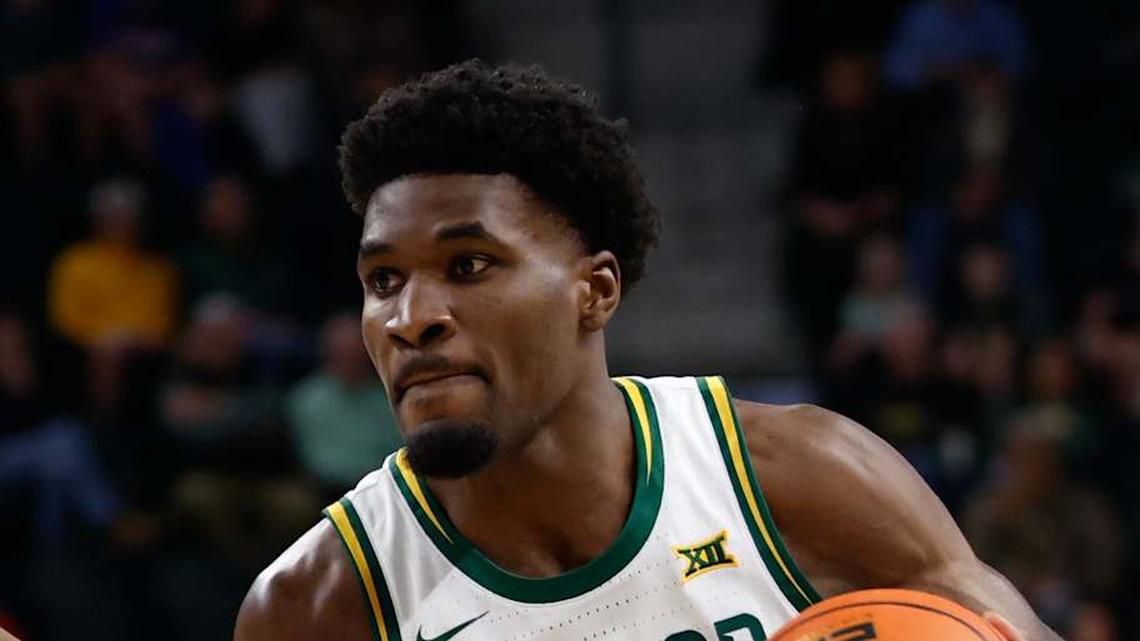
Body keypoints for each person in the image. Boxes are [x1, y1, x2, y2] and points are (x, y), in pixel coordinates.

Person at [235, 61, 1060, 641]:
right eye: (382, 280)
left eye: (469, 265)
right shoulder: (319, 603)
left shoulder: (797, 476)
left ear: (595, 289)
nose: (412, 317)